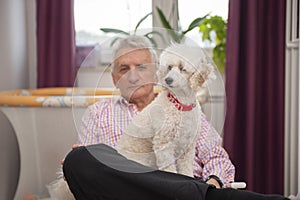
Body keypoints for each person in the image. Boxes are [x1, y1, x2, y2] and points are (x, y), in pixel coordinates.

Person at [62, 35, 289, 200]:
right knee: (79, 159)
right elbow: (90, 173)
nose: (133, 76)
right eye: (124, 69)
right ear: (114, 79)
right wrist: (79, 161)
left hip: (192, 192)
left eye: (141, 67)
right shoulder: (99, 113)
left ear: (156, 72)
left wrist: (213, 181)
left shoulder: (186, 108)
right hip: (132, 195)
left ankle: (198, 194)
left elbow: (218, 158)